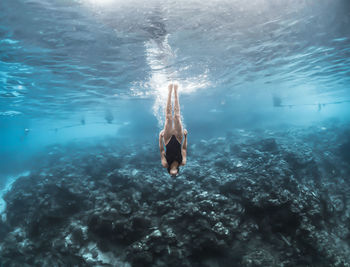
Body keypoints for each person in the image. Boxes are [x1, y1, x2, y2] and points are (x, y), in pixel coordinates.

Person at [159, 83, 187, 177]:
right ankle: (176, 91)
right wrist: (186, 137)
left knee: (168, 117)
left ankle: (169, 91)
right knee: (177, 117)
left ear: (169, 172)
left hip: (167, 140)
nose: (174, 175)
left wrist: (160, 137)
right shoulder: (182, 162)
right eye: (175, 175)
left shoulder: (165, 164)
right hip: (179, 139)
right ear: (178, 172)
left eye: (172, 175)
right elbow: (183, 148)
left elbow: (162, 150)